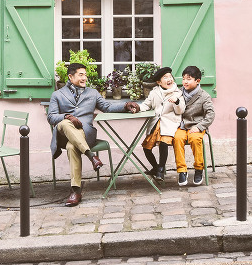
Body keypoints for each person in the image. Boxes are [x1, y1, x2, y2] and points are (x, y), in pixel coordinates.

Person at [48, 62, 139, 206]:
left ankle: (75, 191)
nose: (84, 78)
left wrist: (126, 105)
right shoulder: (57, 95)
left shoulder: (92, 93)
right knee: (65, 123)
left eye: (85, 75)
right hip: (63, 135)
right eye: (80, 75)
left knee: (72, 147)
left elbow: (107, 107)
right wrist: (67, 116)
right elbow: (51, 117)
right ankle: (91, 156)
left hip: (86, 133)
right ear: (70, 77)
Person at [137, 67, 183, 181]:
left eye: (170, 76)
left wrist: (177, 102)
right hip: (156, 123)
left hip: (169, 123)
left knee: (164, 142)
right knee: (146, 147)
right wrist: (137, 108)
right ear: (159, 82)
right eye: (165, 77)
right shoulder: (154, 92)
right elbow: (146, 105)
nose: (169, 79)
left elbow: (180, 110)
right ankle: (155, 167)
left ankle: (161, 169)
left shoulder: (177, 93)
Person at [172, 66, 215, 186]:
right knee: (177, 139)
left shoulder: (204, 96)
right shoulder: (179, 93)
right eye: (184, 78)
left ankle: (199, 169)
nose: (185, 81)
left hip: (196, 125)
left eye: (189, 79)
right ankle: (182, 171)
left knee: (195, 139)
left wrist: (200, 126)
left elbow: (210, 114)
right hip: (181, 125)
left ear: (197, 81)